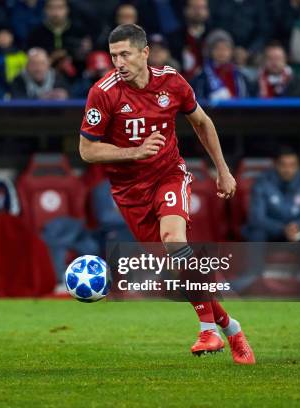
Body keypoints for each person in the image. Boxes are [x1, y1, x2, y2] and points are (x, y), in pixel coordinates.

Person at [78, 24, 255, 364]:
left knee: (175, 240)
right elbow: (87, 151)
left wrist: (223, 170)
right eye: (114, 55)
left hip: (168, 175)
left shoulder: (172, 82)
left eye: (125, 54)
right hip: (129, 192)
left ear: (145, 53)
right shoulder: (103, 92)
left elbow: (202, 122)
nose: (119, 62)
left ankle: (207, 331)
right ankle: (231, 329)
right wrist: (134, 152)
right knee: (177, 272)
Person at [243, 147, 300, 243]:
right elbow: (257, 217)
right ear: (276, 165)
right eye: (283, 165)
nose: (288, 169)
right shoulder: (262, 182)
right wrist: (282, 229)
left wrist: (299, 225)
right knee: (256, 235)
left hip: (299, 230)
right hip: (271, 230)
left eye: (292, 165)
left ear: (299, 166)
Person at [191, 29, 252, 101]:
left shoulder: (240, 76)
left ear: (231, 51)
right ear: (211, 51)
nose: (222, 52)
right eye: (218, 48)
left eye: (226, 49)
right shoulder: (202, 77)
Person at [208, 0, 270, 66]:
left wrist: (249, 51)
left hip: (251, 53)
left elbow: (263, 33)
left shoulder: (259, 3)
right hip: (223, 49)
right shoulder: (217, 2)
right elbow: (212, 28)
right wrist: (229, 49)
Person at [167, 0, 211, 81]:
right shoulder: (174, 37)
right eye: (194, 7)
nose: (198, 12)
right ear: (186, 10)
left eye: (202, 8)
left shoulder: (213, 35)